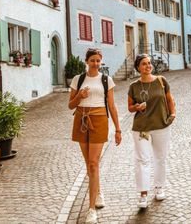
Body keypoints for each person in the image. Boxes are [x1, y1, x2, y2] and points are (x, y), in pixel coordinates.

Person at [69, 48, 122, 224]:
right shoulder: (78, 79)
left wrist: (118, 129)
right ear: (86, 61)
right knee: (89, 164)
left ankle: (91, 209)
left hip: (99, 120)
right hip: (81, 119)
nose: (95, 63)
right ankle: (98, 191)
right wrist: (79, 96)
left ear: (101, 61)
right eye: (92, 60)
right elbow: (70, 105)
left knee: (93, 163)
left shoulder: (107, 80)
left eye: (98, 60)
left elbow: (112, 107)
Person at [127, 54, 176, 209]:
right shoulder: (134, 86)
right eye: (144, 64)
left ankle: (159, 187)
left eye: (149, 63)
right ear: (138, 68)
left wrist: (173, 114)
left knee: (160, 158)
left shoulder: (162, 81)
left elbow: (169, 99)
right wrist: (137, 107)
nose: (148, 66)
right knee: (142, 160)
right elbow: (130, 107)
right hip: (142, 128)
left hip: (161, 125)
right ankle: (143, 194)